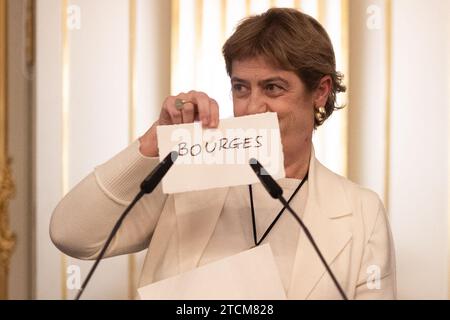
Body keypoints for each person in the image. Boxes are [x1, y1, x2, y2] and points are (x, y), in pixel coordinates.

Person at [50, 8, 396, 299]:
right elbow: (72, 234)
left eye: (273, 88)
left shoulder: (361, 211)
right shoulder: (188, 174)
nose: (252, 107)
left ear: (320, 91)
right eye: (241, 88)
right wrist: (154, 140)